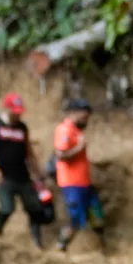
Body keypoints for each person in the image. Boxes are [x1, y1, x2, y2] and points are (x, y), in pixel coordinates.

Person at [0, 93, 49, 248]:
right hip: (4, 176)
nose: (17, 114)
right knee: (7, 208)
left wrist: (38, 173)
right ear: (7, 108)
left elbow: (29, 153)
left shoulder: (22, 128)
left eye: (19, 111)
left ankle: (37, 242)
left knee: (34, 207)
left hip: (23, 175)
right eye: (15, 111)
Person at [51, 99, 106, 253]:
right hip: (71, 184)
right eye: (83, 117)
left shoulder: (77, 131)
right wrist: (79, 148)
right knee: (75, 219)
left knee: (97, 217)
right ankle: (61, 246)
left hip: (84, 183)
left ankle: (103, 249)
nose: (86, 121)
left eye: (87, 118)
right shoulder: (65, 130)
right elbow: (61, 155)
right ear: (74, 113)